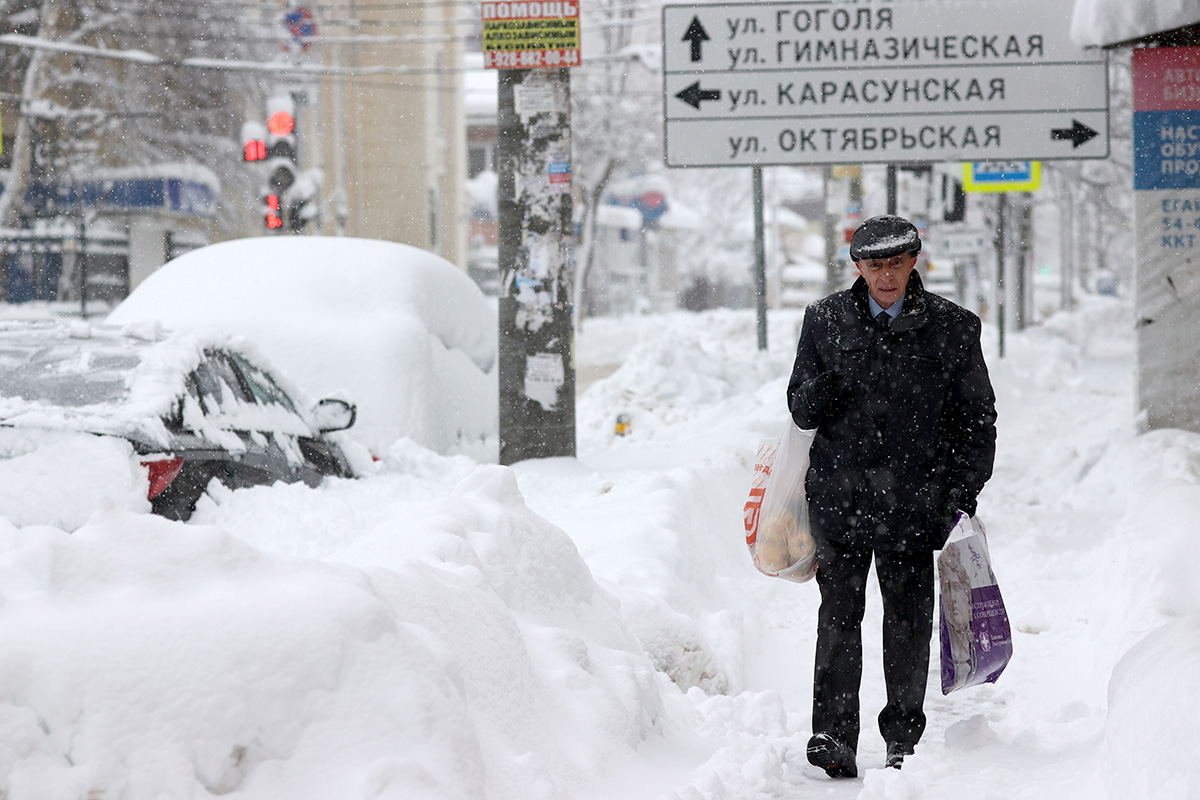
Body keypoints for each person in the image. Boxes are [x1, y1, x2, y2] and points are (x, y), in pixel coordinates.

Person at [786, 214, 997, 778]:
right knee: (838, 617)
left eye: (896, 263)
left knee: (906, 621)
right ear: (857, 266)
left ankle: (902, 737)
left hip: (915, 501)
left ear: (914, 261)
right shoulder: (825, 321)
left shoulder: (953, 328)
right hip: (840, 498)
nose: (886, 275)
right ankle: (833, 735)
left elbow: (976, 419)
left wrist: (960, 492)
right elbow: (800, 407)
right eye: (874, 264)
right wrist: (827, 386)